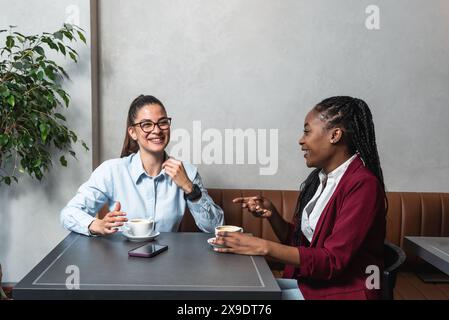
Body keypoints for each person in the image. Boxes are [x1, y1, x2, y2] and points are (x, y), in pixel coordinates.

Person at [212, 96, 386, 300]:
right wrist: (273, 215)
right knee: (233, 292)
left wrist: (262, 246)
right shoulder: (323, 179)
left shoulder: (363, 184)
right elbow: (303, 246)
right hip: (315, 285)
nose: (301, 140)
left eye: (307, 131)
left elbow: (332, 261)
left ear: (335, 135)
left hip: (345, 293)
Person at [61, 95, 224, 236]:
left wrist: (190, 188)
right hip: (122, 262)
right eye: (147, 124)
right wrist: (96, 225)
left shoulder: (187, 171)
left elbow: (216, 228)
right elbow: (68, 214)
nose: (157, 130)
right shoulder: (111, 171)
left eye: (163, 122)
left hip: (168, 262)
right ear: (132, 132)